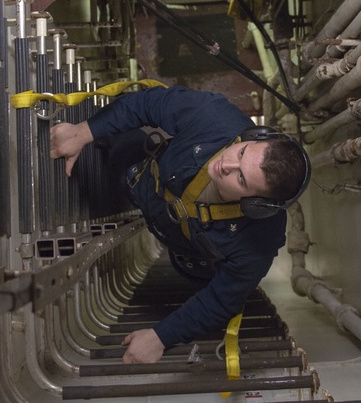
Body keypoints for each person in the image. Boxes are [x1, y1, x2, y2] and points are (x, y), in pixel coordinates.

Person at [50, 84, 310, 364]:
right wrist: (81, 133)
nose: (227, 165)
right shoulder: (217, 118)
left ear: (256, 205)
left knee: (196, 274)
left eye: (242, 179)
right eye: (243, 152)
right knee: (117, 144)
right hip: (140, 176)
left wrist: (162, 336)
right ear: (254, 137)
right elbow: (149, 103)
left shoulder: (259, 241)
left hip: (183, 246)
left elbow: (222, 300)